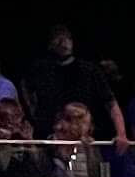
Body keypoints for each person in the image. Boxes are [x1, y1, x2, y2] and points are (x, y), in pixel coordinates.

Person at [23, 25, 125, 159]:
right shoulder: (40, 69)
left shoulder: (89, 70)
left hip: (84, 138)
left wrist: (121, 133)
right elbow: (26, 90)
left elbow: (110, 102)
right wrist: (35, 117)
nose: (63, 42)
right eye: (58, 39)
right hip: (50, 139)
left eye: (66, 38)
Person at [0, 95, 42, 177]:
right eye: (13, 116)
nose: (18, 121)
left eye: (19, 116)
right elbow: (1, 168)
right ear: (0, 121)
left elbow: (40, 167)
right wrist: (4, 144)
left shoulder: (24, 141)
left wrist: (30, 142)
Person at [48, 102, 101, 177]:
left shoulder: (90, 147)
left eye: (85, 123)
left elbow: (96, 175)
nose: (81, 127)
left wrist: (89, 149)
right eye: (82, 122)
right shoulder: (51, 146)